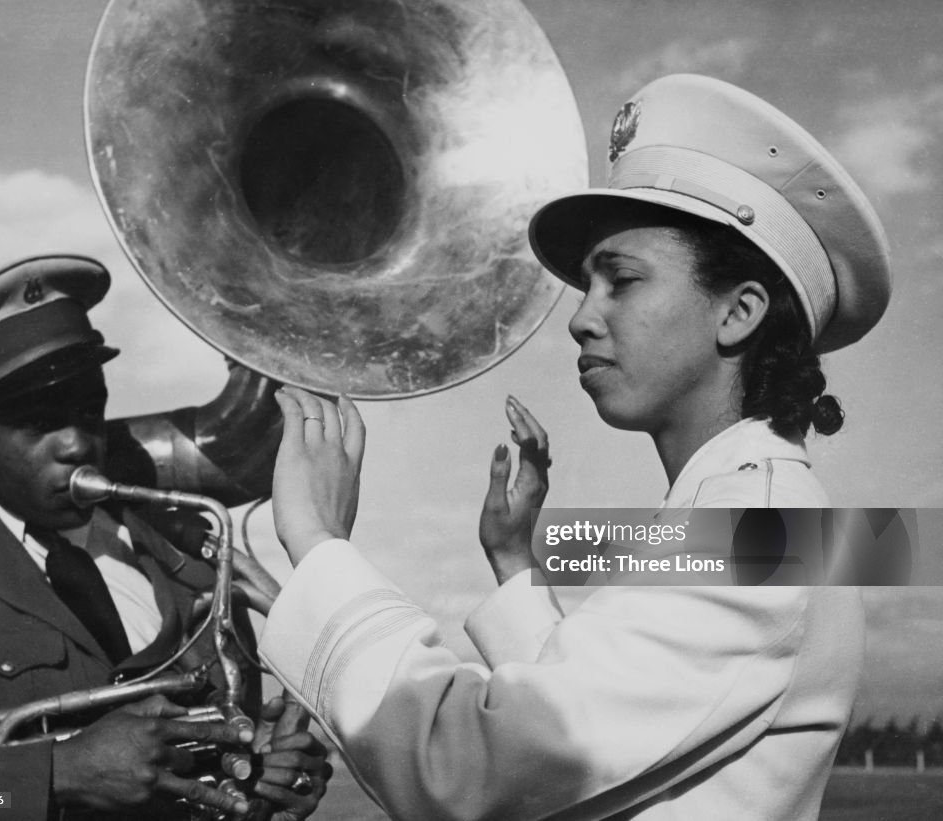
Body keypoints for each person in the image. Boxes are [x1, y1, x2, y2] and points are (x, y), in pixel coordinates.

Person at [256, 74, 891, 820]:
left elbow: (468, 767)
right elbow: (597, 717)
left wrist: (317, 538)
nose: (581, 320)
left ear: (740, 312)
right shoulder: (750, 511)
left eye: (620, 281)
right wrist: (515, 555)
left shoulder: (761, 531)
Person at [0, 255, 331, 819]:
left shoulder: (192, 559)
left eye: (90, 410)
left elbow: (227, 758)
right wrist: (55, 777)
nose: (76, 445)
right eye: (39, 424)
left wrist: (267, 780)